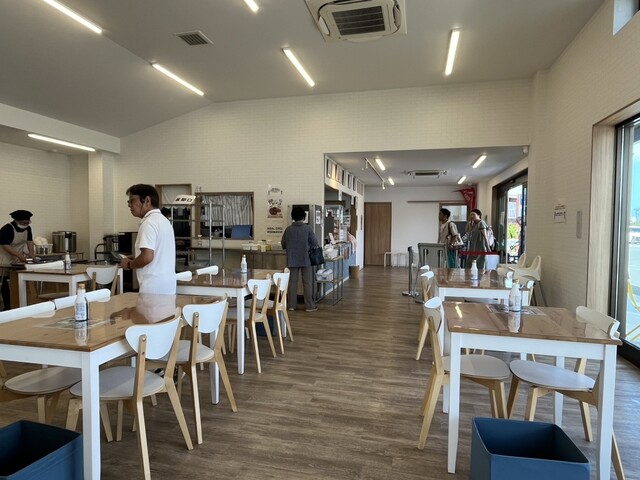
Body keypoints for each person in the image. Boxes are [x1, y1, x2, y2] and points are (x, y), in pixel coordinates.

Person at [119, 184, 176, 294]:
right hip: (168, 287)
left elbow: (147, 257)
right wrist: (136, 257)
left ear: (147, 201)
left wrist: (129, 264)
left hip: (153, 288)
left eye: (132, 200)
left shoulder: (148, 223)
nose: (129, 205)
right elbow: (158, 254)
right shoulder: (164, 221)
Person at [281, 206, 320, 312]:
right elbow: (315, 244)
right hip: (306, 259)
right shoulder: (308, 229)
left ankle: (291, 305)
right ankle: (310, 306)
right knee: (307, 283)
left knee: (292, 283)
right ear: (304, 216)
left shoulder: (288, 229)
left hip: (292, 259)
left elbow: (283, 244)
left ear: (292, 216)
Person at [0, 210, 35, 310]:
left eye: (27, 223)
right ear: (16, 221)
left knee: (16, 281)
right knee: (5, 284)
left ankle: (19, 305)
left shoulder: (28, 228)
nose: (25, 225)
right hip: (4, 260)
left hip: (17, 260)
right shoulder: (7, 229)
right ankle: (7, 307)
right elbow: (6, 245)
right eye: (23, 223)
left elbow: (29, 241)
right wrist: (20, 256)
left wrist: (31, 253)